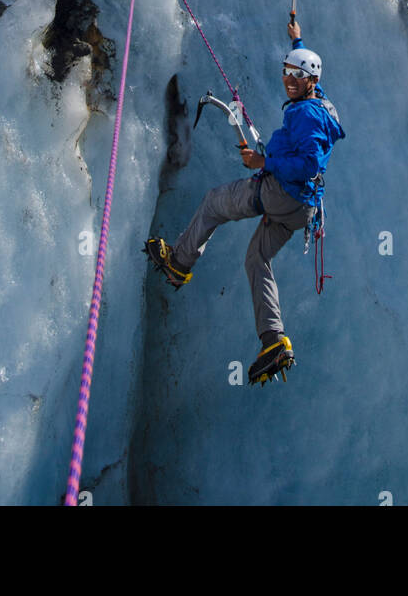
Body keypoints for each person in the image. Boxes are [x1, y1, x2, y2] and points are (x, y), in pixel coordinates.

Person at [145, 20, 345, 384]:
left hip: (280, 193)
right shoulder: (322, 103)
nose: (289, 79)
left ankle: (178, 263)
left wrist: (262, 162)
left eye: (296, 75)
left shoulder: (305, 114)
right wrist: (297, 39)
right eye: (287, 71)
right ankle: (274, 341)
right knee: (257, 258)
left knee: (215, 202)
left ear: (310, 82)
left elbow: (310, 164)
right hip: (302, 210)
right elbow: (312, 78)